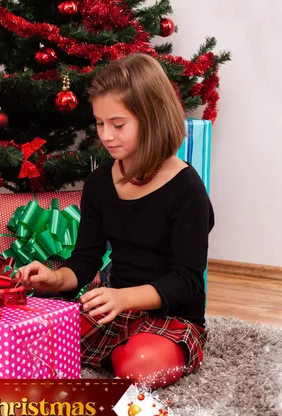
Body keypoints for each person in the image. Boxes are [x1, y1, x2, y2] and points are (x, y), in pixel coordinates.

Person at [16, 53, 214, 389]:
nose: (106, 135)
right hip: (115, 307)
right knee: (29, 344)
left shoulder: (186, 189)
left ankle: (141, 351)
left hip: (172, 315)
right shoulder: (99, 183)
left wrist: (123, 298)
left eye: (118, 125)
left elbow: (187, 282)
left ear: (152, 119)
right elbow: (84, 261)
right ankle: (119, 347)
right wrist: (53, 277)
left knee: (138, 367)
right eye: (99, 123)